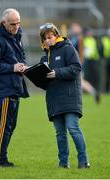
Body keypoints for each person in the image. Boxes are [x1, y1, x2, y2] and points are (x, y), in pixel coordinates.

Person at [39, 23, 90, 168]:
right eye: (45, 38)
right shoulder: (44, 59)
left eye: (50, 37)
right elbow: (44, 83)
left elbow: (76, 68)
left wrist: (57, 73)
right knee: (60, 133)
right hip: (54, 99)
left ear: (56, 36)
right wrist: (35, 77)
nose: (48, 40)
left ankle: (84, 161)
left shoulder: (68, 49)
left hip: (70, 96)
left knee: (72, 128)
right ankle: (63, 164)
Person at [0, 8, 29, 167]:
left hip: (15, 86)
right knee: (4, 125)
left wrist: (22, 65)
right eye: (12, 24)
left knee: (11, 125)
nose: (16, 27)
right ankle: (0, 160)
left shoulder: (17, 35)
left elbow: (21, 55)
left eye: (18, 23)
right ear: (4, 23)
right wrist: (12, 68)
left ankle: (3, 158)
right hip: (3, 89)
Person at [70, 22, 100, 103]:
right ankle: (93, 92)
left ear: (79, 28)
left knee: (79, 81)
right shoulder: (75, 38)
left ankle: (93, 92)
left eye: (75, 27)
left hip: (78, 63)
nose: (73, 29)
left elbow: (81, 52)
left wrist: (80, 63)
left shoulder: (80, 38)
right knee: (80, 81)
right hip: (75, 62)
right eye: (72, 28)